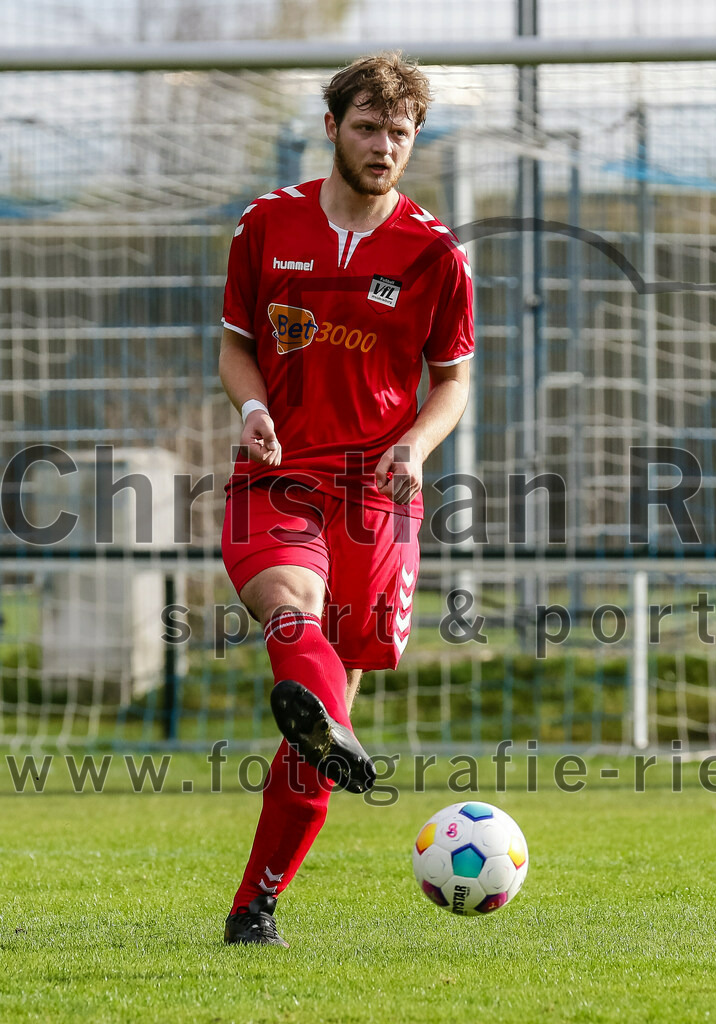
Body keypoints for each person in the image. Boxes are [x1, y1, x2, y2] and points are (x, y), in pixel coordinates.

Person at [217, 52, 474, 946]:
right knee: (291, 609)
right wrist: (252, 406)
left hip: (376, 494)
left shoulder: (435, 254)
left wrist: (416, 443)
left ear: (413, 142)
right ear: (332, 129)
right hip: (277, 476)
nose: (383, 145)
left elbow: (452, 383)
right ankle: (327, 731)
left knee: (329, 703)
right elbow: (236, 347)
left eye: (399, 132)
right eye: (367, 127)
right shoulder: (266, 226)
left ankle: (256, 905)